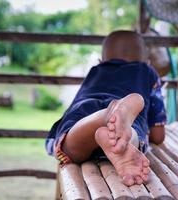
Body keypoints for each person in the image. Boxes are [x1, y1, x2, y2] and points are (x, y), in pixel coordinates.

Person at [45, 30, 166, 186]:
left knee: (70, 148)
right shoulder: (147, 72)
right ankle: (124, 140)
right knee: (132, 133)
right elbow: (158, 135)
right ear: (147, 62)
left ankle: (104, 116)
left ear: (101, 60)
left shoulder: (96, 70)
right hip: (127, 117)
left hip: (85, 111)